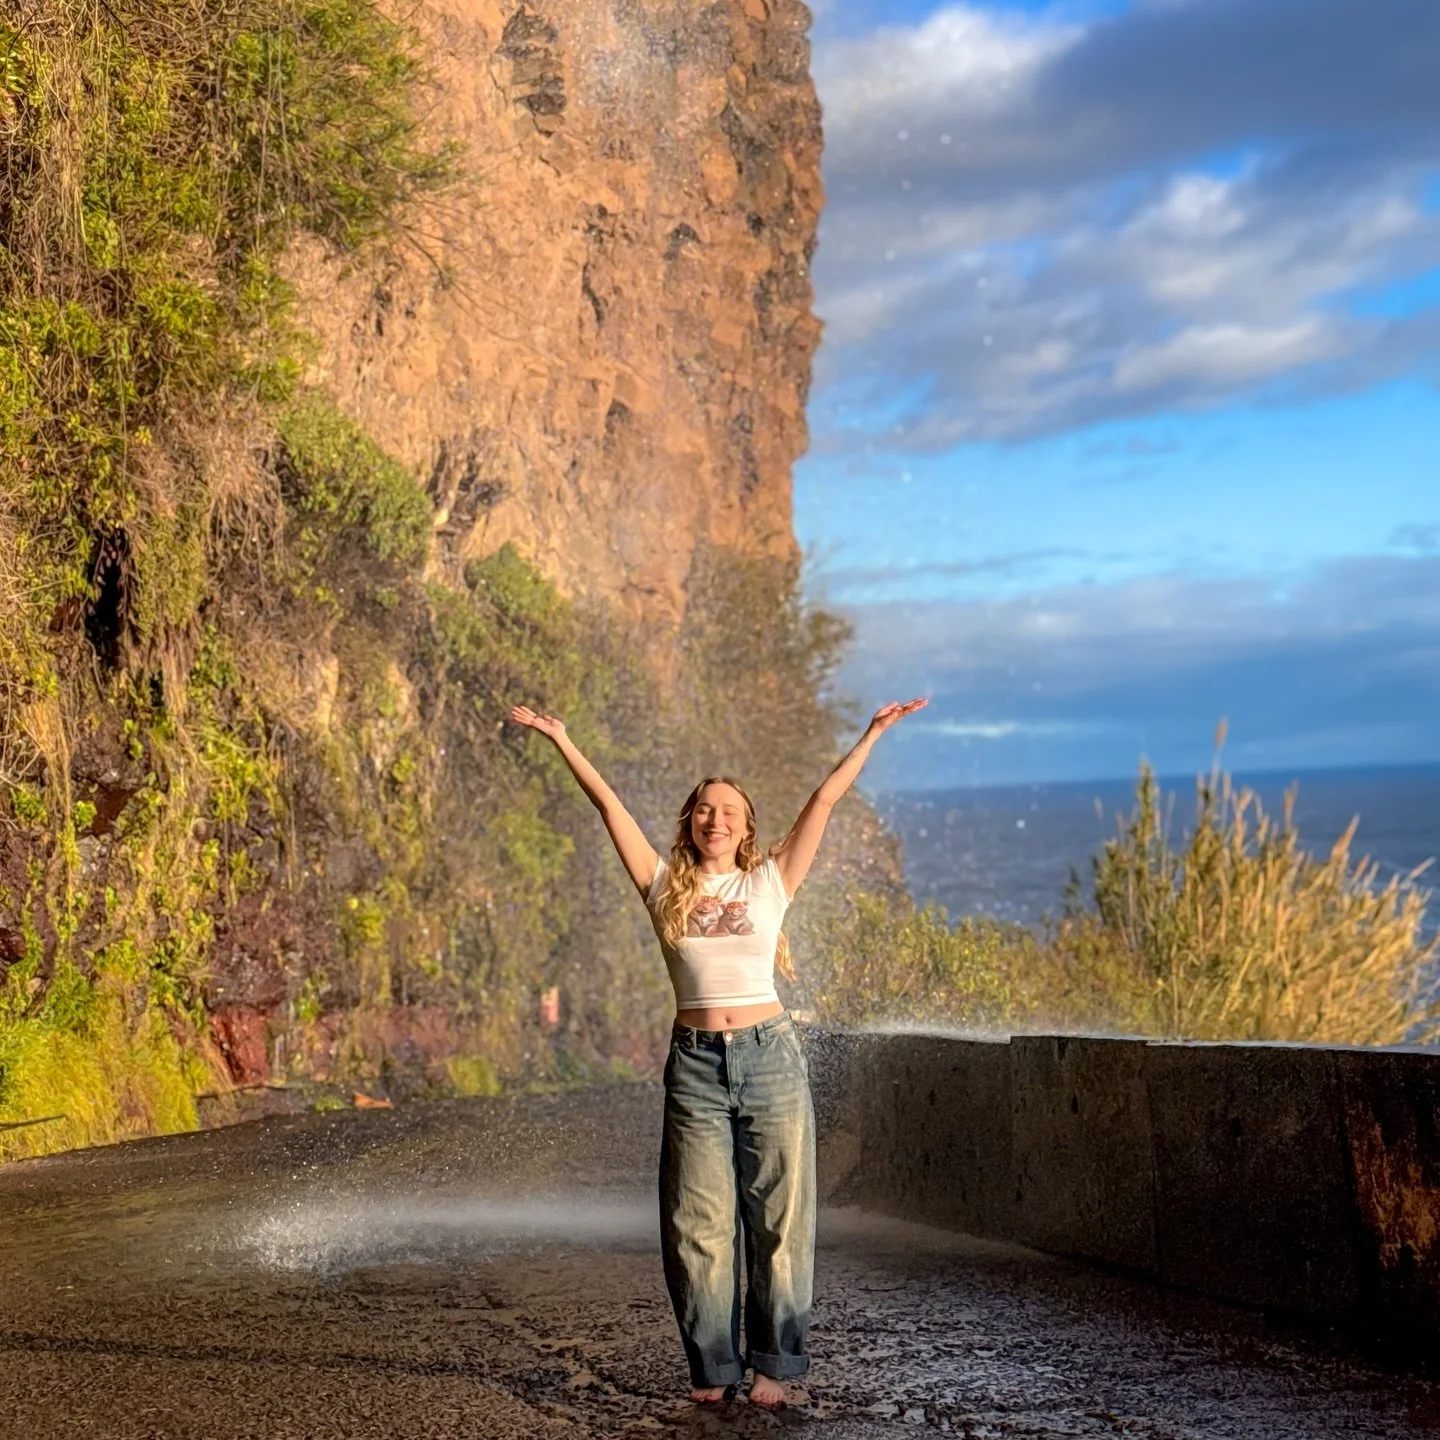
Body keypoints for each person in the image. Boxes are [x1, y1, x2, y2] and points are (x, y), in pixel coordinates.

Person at [507, 698, 927, 1406]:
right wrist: (562, 740)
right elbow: (609, 806)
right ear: (690, 821)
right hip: (696, 1066)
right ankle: (712, 1369)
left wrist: (872, 734)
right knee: (696, 1227)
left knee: (780, 1222)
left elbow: (825, 799)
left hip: (771, 1059)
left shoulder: (771, 881)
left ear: (746, 825)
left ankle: (775, 1369)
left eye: (730, 809)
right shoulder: (662, 885)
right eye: (705, 808)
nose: (716, 818)